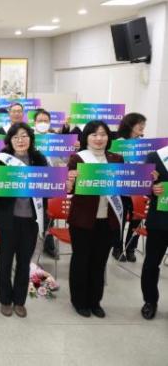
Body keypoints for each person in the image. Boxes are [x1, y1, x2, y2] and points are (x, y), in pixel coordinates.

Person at [0, 122, 48, 318]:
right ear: (10, 140)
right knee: (5, 261)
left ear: (30, 138)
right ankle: (5, 300)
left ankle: (20, 301)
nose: (20, 140)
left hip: (32, 219)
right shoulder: (2, 160)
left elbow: (49, 186)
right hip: (8, 219)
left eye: (24, 136)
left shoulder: (39, 159)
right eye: (16, 137)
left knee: (24, 262)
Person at [66, 120, 123, 318]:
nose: (99, 138)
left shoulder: (116, 159)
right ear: (86, 137)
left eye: (103, 134)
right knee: (81, 260)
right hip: (82, 220)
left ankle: (95, 301)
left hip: (108, 220)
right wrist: (70, 180)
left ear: (109, 137)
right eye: (94, 134)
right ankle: (79, 301)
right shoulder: (77, 158)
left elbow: (124, 185)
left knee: (100, 261)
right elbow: (70, 189)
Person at [111, 112, 147, 262]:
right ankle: (117, 248)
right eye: (140, 123)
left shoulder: (144, 144)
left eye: (144, 124)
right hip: (121, 188)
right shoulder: (119, 143)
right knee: (119, 219)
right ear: (130, 125)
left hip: (138, 188)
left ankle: (131, 247)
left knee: (136, 219)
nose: (142, 126)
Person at [140, 146, 168, 320]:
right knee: (151, 264)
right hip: (160, 220)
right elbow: (142, 183)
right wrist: (151, 188)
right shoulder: (156, 156)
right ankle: (150, 301)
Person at [32, 109, 63, 259]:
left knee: (49, 214)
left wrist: (72, 148)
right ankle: (32, 244)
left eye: (46, 121)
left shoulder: (56, 139)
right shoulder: (29, 138)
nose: (43, 123)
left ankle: (48, 243)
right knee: (34, 213)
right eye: (40, 121)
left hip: (52, 180)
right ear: (34, 122)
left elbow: (65, 159)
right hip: (34, 180)